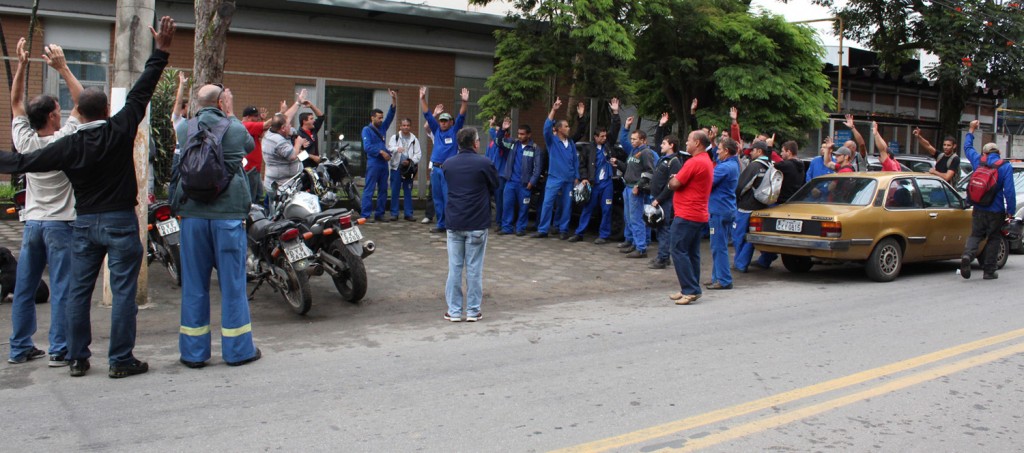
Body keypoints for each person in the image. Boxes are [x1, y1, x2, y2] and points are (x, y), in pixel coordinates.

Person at [0, 16, 177, 378]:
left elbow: (23, 161)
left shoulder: (68, 144)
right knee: (123, 291)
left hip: (83, 225)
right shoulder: (120, 127)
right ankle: (120, 359)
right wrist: (160, 52)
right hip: (120, 222)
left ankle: (78, 357)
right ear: (107, 111)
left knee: (79, 293)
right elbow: (143, 90)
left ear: (77, 113)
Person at [171, 82, 261, 369]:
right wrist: (231, 114)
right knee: (233, 285)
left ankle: (194, 353)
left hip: (193, 218)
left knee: (194, 285)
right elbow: (248, 144)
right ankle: (237, 351)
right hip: (227, 218)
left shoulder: (186, 128)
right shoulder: (234, 128)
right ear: (222, 101)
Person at [5, 39, 82, 366]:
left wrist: (21, 64)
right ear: (53, 116)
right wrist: (63, 67)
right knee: (63, 289)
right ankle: (59, 349)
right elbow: (84, 104)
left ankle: (20, 348)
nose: (62, 111)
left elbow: (16, 102)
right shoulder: (64, 141)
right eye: (57, 109)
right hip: (60, 225)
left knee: (24, 288)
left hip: (32, 223)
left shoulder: (24, 141)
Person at [442, 127, 498, 322]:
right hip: (476, 222)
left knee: (454, 268)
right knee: (474, 268)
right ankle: (473, 311)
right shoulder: (485, 163)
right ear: (475, 143)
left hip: (455, 221)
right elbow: (494, 185)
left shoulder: (448, 164)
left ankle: (455, 311)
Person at [960, 120, 1016, 280]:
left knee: (976, 235)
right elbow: (1009, 191)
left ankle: (967, 256)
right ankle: (989, 271)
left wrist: (971, 129)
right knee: (993, 238)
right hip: (996, 210)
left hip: (978, 208)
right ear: (998, 152)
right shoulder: (1004, 166)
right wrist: (1010, 211)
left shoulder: (978, 161)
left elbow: (967, 148)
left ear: (984, 153)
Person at [667, 130, 715, 305]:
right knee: (692, 252)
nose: (686, 143)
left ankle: (690, 289)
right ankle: (691, 288)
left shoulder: (694, 162)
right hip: (697, 214)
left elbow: (675, 183)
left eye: (688, 140)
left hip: (687, 214)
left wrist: (671, 179)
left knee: (678, 250)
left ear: (698, 143)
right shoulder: (706, 161)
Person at [568, 100, 621, 244]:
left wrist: (615, 113)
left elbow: (615, 129)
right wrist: (584, 178)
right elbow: (582, 165)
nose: (604, 138)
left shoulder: (608, 146)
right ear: (595, 137)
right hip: (593, 184)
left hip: (607, 183)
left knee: (607, 209)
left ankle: (603, 235)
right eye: (601, 136)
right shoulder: (588, 149)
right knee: (587, 208)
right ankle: (579, 233)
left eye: (605, 136)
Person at [421, 86, 469, 233]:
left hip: (448, 170)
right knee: (437, 198)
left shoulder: (454, 132)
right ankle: (441, 224)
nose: (442, 123)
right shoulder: (436, 130)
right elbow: (428, 115)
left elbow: (461, 117)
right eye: (441, 120)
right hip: (435, 169)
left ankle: (450, 224)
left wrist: (464, 102)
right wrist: (422, 99)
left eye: (445, 121)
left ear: (450, 123)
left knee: (449, 199)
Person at [532, 97, 580, 240]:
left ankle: (563, 229)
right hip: (554, 178)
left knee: (566, 205)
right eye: (566, 126)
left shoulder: (570, 143)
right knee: (547, 203)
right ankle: (543, 229)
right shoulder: (552, 141)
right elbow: (546, 128)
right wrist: (554, 110)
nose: (568, 128)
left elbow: (575, 161)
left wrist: (576, 176)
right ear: (559, 129)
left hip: (569, 179)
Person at [613, 107, 657, 258]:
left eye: (635, 139)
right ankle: (631, 241)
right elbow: (629, 166)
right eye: (631, 139)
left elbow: (649, 172)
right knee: (629, 217)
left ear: (643, 140)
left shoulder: (646, 152)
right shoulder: (633, 151)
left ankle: (641, 247)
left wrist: (638, 185)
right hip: (628, 187)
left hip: (635, 189)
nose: (632, 141)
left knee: (637, 218)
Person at [706, 138, 740, 290]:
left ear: (726, 151)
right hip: (726, 209)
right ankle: (717, 277)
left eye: (719, 149)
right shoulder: (732, 164)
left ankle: (724, 280)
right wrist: (713, 143)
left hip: (719, 210)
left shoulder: (724, 168)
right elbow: (716, 158)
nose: (717, 151)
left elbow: (708, 182)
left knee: (718, 246)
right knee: (719, 245)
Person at [732, 141, 771, 273]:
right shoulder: (770, 165)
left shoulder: (755, 166)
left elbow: (742, 186)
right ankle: (767, 258)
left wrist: (737, 198)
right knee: (755, 235)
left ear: (759, 151)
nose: (751, 152)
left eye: (753, 150)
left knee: (740, 236)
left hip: (746, 207)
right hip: (762, 206)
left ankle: (740, 264)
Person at [648, 134, 686, 269]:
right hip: (658, 198)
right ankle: (663, 255)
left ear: (671, 145)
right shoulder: (664, 159)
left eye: (664, 143)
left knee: (664, 229)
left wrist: (659, 199)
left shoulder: (674, 161)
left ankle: (663, 258)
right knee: (659, 228)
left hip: (665, 200)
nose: (661, 145)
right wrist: (661, 126)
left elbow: (671, 185)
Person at [497, 120, 541, 236]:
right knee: (507, 205)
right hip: (510, 182)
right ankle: (507, 228)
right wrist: (503, 130)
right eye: (519, 134)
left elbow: (537, 168)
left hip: (525, 184)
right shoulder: (513, 144)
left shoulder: (535, 148)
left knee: (524, 208)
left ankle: (520, 228)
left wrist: (532, 182)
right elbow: (499, 142)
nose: (520, 136)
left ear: (529, 135)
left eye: (522, 134)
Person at [360, 89, 398, 221]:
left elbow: (391, 115)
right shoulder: (366, 130)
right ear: (372, 117)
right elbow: (367, 147)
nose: (381, 120)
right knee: (369, 189)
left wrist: (394, 100)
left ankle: (379, 214)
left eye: (382, 118)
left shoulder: (383, 127)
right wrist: (381, 152)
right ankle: (365, 214)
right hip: (374, 163)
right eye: (379, 117)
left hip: (383, 164)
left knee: (383, 190)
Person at [262, 113, 308, 191]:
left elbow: (295, 155)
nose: (291, 126)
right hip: (281, 186)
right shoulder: (278, 141)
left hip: (282, 183)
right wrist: (298, 143)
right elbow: (292, 156)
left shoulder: (271, 133)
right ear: (283, 128)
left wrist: (300, 151)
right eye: (289, 125)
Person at [387, 117, 421, 221]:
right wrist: (397, 149)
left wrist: (410, 161)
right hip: (396, 168)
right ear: (400, 126)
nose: (406, 127)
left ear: (410, 127)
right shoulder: (395, 137)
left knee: (408, 191)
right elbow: (389, 149)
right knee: (395, 191)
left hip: (408, 169)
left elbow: (418, 154)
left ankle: (408, 214)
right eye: (404, 125)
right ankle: (394, 213)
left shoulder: (414, 139)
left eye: (408, 125)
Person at [486, 116, 508, 229]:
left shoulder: (504, 144)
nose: (496, 132)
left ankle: (499, 222)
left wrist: (493, 127)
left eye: (498, 131)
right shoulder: (491, 144)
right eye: (496, 130)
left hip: (500, 175)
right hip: (490, 174)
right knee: (485, 199)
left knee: (499, 200)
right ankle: (486, 219)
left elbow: (497, 138)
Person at [296, 96, 326, 168]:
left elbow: (321, 117)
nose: (314, 120)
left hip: (314, 166)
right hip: (304, 167)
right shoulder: (298, 134)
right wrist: (313, 157)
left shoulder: (313, 129)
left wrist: (311, 106)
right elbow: (298, 153)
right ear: (304, 121)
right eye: (311, 119)